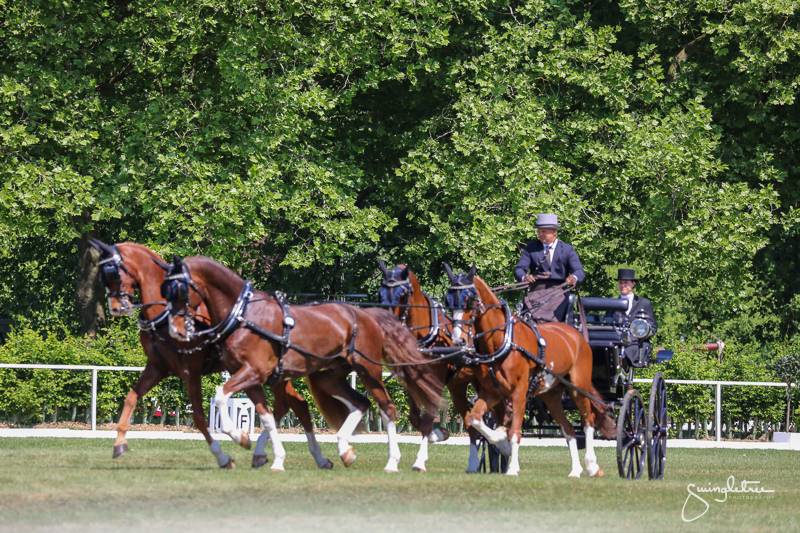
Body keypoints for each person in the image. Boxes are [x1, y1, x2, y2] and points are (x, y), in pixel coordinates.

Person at [514, 213, 585, 322]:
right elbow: (519, 269)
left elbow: (579, 271)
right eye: (539, 231)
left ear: (554, 232)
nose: (540, 234)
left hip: (559, 293)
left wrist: (573, 278)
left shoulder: (567, 249)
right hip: (536, 292)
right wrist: (525, 277)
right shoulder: (531, 248)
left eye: (544, 231)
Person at [614, 268, 657, 366]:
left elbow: (653, 327)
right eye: (620, 282)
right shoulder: (613, 303)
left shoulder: (644, 303)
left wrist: (638, 332)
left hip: (636, 346)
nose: (623, 285)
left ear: (633, 284)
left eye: (626, 282)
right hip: (616, 344)